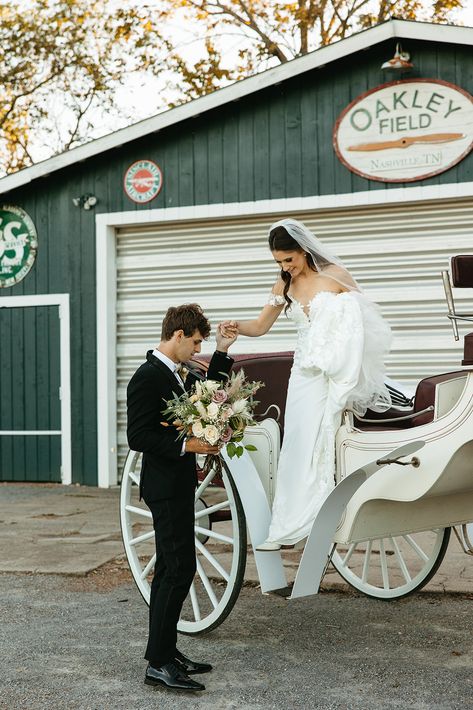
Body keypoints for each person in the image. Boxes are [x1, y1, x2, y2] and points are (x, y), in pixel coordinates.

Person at [221, 218, 391, 551]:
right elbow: (259, 325)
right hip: (303, 375)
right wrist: (235, 326)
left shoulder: (336, 276)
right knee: (298, 442)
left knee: (327, 436)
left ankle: (333, 504)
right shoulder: (283, 286)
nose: (286, 268)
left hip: (333, 370)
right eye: (279, 262)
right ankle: (291, 521)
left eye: (290, 260)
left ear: (304, 250)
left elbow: (364, 320)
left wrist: (343, 357)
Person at [127, 303, 236, 692]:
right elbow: (138, 436)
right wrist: (188, 444)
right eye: (195, 342)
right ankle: (158, 663)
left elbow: (212, 397)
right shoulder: (147, 377)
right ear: (177, 336)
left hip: (178, 486)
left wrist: (223, 350)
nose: (197, 349)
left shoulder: (178, 374)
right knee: (175, 570)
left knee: (178, 569)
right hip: (163, 488)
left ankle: (167, 652)